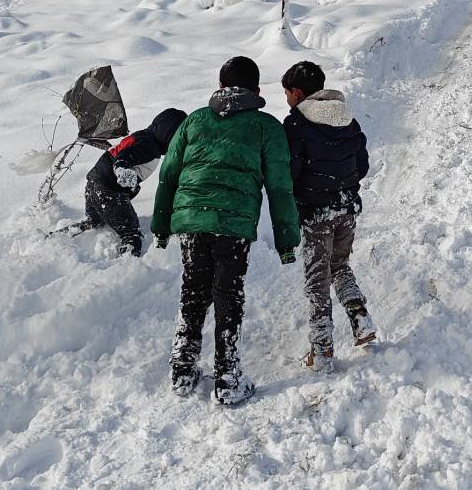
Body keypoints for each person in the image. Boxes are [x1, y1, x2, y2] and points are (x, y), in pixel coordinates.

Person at [152, 56, 301, 405]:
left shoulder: (194, 121)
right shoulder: (266, 126)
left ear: (220, 87)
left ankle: (183, 370)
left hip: (191, 221)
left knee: (194, 290)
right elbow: (280, 187)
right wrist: (286, 241)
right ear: (257, 90)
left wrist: (161, 227)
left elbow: (169, 174)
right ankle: (228, 377)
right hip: (232, 225)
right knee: (227, 294)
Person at [280, 61, 375, 374]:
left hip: (316, 212)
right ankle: (360, 316)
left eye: (286, 93)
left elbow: (290, 171)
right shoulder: (348, 119)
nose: (287, 99)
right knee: (340, 266)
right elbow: (361, 165)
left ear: (296, 92)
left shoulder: (295, 124)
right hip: (346, 209)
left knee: (317, 278)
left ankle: (321, 349)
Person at [62, 108, 187, 256]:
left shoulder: (144, 137)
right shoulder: (149, 146)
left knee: (95, 222)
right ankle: (126, 268)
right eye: (180, 137)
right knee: (131, 233)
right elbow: (125, 156)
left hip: (95, 182)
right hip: (109, 191)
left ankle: (57, 239)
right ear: (170, 134)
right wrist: (121, 168)